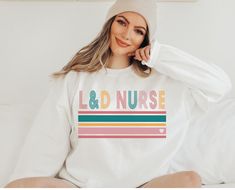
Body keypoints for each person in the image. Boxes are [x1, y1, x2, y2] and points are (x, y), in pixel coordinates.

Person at [5, 0, 232, 188]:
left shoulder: (168, 80)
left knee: (189, 179)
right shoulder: (75, 79)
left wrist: (160, 56)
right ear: (109, 24)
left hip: (144, 185)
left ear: (147, 38)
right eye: (121, 22)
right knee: (18, 186)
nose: (126, 34)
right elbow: (47, 141)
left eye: (138, 30)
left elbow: (220, 86)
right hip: (82, 185)